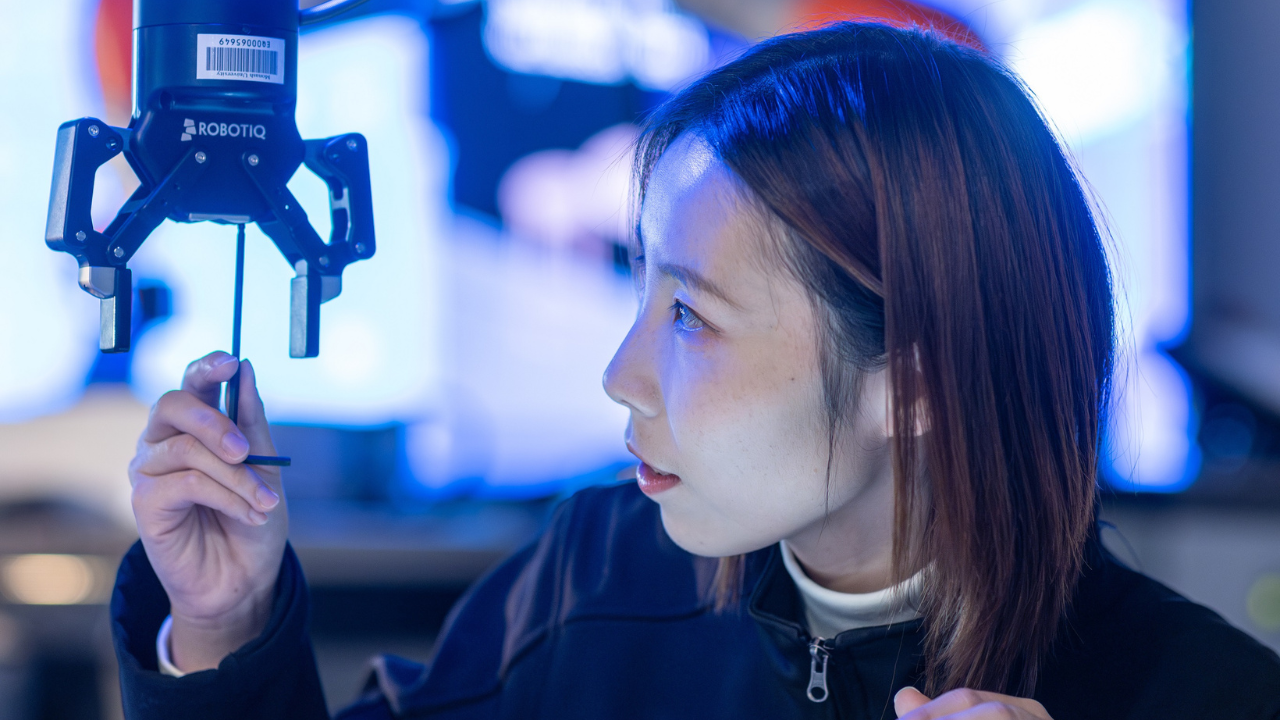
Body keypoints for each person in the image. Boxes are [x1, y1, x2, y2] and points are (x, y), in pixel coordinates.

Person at [111, 22, 1280, 720]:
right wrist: (222, 626)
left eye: (690, 314)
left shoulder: (1195, 691)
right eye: (638, 292)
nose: (621, 374)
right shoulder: (588, 578)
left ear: (911, 384)